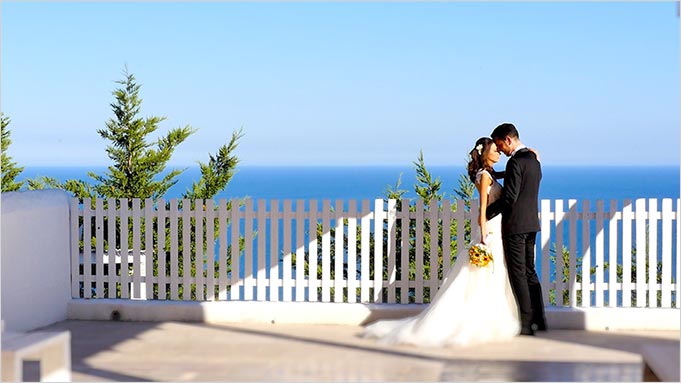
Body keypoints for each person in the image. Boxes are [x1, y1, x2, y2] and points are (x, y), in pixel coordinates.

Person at [360, 137, 520, 347]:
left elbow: (504, 175)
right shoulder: (484, 177)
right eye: (494, 150)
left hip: (496, 227)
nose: (499, 152)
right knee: (484, 275)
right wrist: (483, 236)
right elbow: (482, 209)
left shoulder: (489, 174)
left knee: (493, 274)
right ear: (485, 153)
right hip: (490, 230)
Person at [486, 123, 547, 336]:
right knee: (530, 271)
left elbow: (510, 198)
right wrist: (499, 174)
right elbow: (520, 177)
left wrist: (486, 213)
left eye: (500, 144)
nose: (500, 149)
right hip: (531, 223)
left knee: (518, 274)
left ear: (508, 139)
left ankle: (526, 324)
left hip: (516, 226)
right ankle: (540, 320)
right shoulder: (534, 160)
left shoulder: (515, 162)